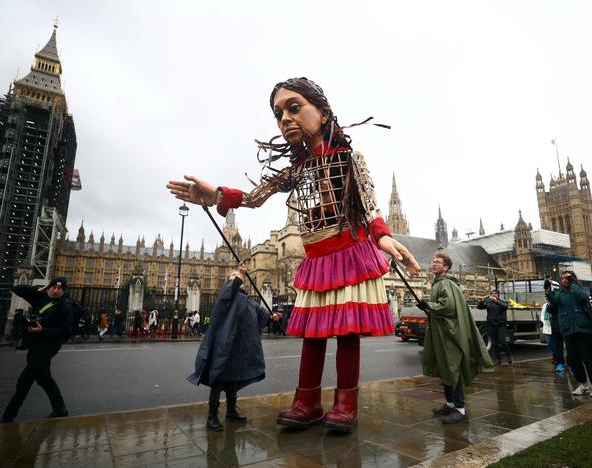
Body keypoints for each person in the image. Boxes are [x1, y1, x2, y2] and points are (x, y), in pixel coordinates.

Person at [168, 77, 420, 432]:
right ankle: (308, 401)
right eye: (278, 113)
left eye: (294, 107)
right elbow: (255, 197)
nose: (284, 118)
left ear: (322, 111)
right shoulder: (298, 168)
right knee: (314, 334)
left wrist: (383, 237)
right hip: (315, 258)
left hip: (347, 251)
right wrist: (215, 195)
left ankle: (346, 403)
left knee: (346, 334)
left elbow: (368, 203)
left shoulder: (348, 157)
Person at [188, 263, 279, 431]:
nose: (236, 277)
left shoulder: (247, 300)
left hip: (237, 348)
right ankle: (212, 416)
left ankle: (231, 412)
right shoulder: (226, 295)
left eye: (238, 276)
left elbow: (259, 313)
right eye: (233, 275)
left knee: (232, 380)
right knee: (218, 379)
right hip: (223, 345)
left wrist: (270, 317)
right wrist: (240, 275)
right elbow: (231, 288)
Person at [418, 252, 494, 424]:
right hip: (442, 332)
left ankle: (460, 410)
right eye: (433, 261)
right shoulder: (438, 283)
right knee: (445, 367)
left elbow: (448, 306)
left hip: (449, 333)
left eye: (437, 262)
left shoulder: (446, 283)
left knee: (453, 368)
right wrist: (427, 306)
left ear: (446, 267)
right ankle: (450, 403)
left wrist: (429, 305)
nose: (433, 263)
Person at [1, 277, 74, 422]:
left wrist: (43, 331)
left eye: (60, 289)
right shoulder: (40, 298)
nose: (56, 290)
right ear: (49, 287)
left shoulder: (65, 307)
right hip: (34, 345)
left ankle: (8, 417)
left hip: (47, 347)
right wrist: (37, 289)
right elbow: (16, 289)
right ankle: (60, 409)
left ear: (63, 291)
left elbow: (66, 331)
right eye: (53, 287)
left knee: (24, 382)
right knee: (44, 378)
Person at [547, 271, 592, 397]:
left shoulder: (581, 289)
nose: (564, 280)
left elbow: (583, 298)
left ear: (573, 278)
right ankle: (583, 385)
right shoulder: (560, 294)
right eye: (562, 278)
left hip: (582, 329)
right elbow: (553, 303)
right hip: (568, 330)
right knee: (573, 360)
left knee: (588, 359)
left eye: (567, 277)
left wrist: (573, 284)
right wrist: (548, 290)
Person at [477, 290, 512, 365]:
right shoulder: (488, 302)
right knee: (495, 344)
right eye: (492, 294)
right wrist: (482, 301)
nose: (493, 295)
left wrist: (496, 301)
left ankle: (509, 355)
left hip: (501, 325)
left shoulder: (503, 301)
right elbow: (479, 307)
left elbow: (505, 307)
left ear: (498, 295)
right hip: (491, 325)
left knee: (503, 342)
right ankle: (498, 360)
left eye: (495, 294)